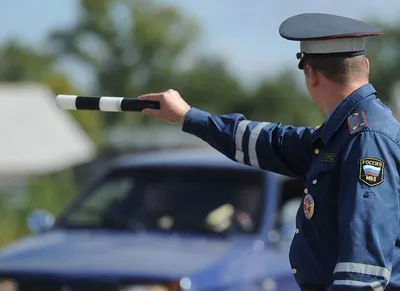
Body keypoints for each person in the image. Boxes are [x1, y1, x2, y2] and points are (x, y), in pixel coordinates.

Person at [138, 13, 400, 291]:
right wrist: (188, 116)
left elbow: (362, 273)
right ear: (365, 67)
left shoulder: (365, 138)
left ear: (310, 74)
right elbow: (273, 143)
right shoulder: (347, 131)